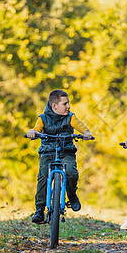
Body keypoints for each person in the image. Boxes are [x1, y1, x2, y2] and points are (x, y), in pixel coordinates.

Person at [26, 89, 93, 224]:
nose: (68, 106)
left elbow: (79, 125)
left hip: (66, 151)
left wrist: (86, 132)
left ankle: (71, 194)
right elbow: (37, 128)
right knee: (43, 177)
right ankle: (39, 209)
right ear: (54, 106)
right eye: (65, 104)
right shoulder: (43, 118)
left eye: (68, 103)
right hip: (47, 152)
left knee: (71, 173)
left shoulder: (70, 117)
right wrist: (32, 132)